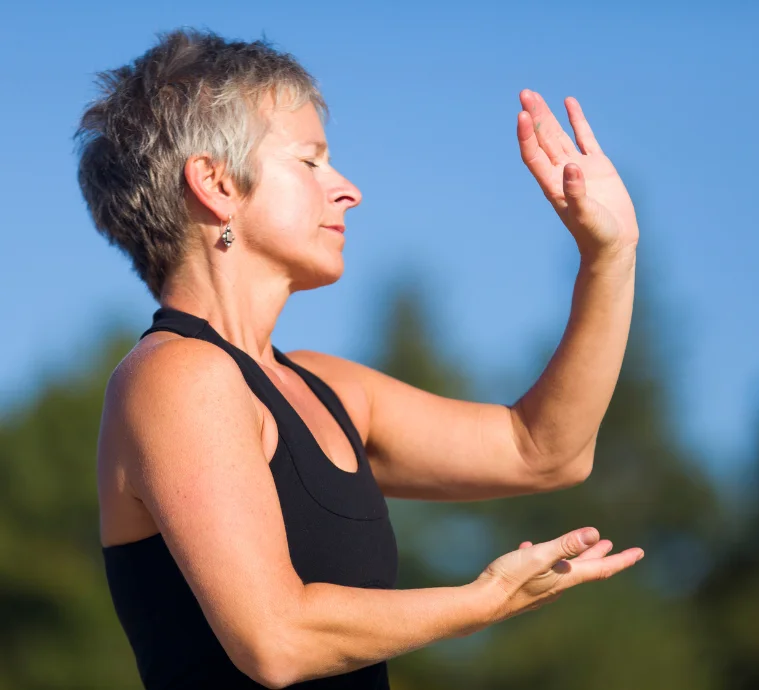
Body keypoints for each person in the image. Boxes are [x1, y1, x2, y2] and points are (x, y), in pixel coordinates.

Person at [76, 27, 644, 690]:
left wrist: (609, 257)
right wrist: (483, 600)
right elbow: (276, 639)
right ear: (216, 183)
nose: (348, 189)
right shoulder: (177, 377)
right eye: (310, 161)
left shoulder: (328, 389)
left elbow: (544, 450)